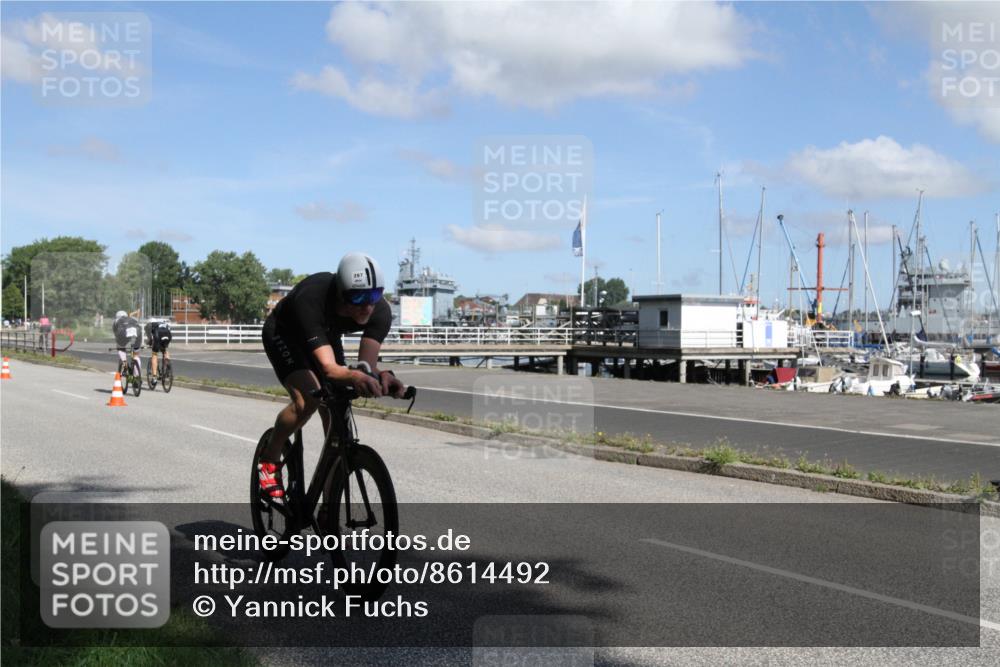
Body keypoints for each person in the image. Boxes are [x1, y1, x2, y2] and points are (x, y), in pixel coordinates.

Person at [259, 252, 405, 498]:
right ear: (340, 291)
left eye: (374, 296)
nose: (367, 306)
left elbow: (363, 368)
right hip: (285, 335)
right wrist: (356, 377)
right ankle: (269, 459)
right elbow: (329, 369)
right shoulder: (311, 297)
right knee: (309, 398)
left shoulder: (379, 312)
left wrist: (379, 376)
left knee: (338, 416)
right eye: (358, 297)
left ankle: (328, 509)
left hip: (325, 334)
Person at [112, 310, 142, 375]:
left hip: (123, 333)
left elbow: (116, 334)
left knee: (121, 348)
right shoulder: (132, 319)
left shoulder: (116, 321)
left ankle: (124, 366)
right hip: (137, 332)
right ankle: (138, 375)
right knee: (136, 354)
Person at [145, 319, 173, 384]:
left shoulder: (149, 325)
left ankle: (154, 378)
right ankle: (167, 364)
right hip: (168, 335)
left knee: (154, 354)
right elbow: (169, 329)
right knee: (165, 349)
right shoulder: (162, 322)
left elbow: (150, 339)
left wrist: (149, 343)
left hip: (159, 334)